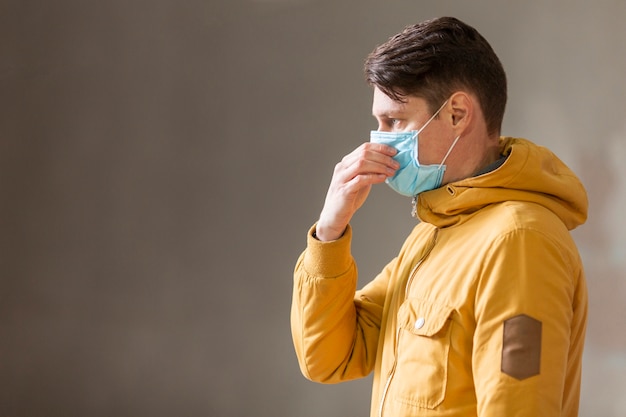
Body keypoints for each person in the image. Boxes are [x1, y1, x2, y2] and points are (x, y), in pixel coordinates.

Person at [290, 16, 588, 417]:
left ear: (457, 114)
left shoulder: (519, 242)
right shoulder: (433, 234)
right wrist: (329, 232)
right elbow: (330, 357)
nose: (378, 141)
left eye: (394, 120)